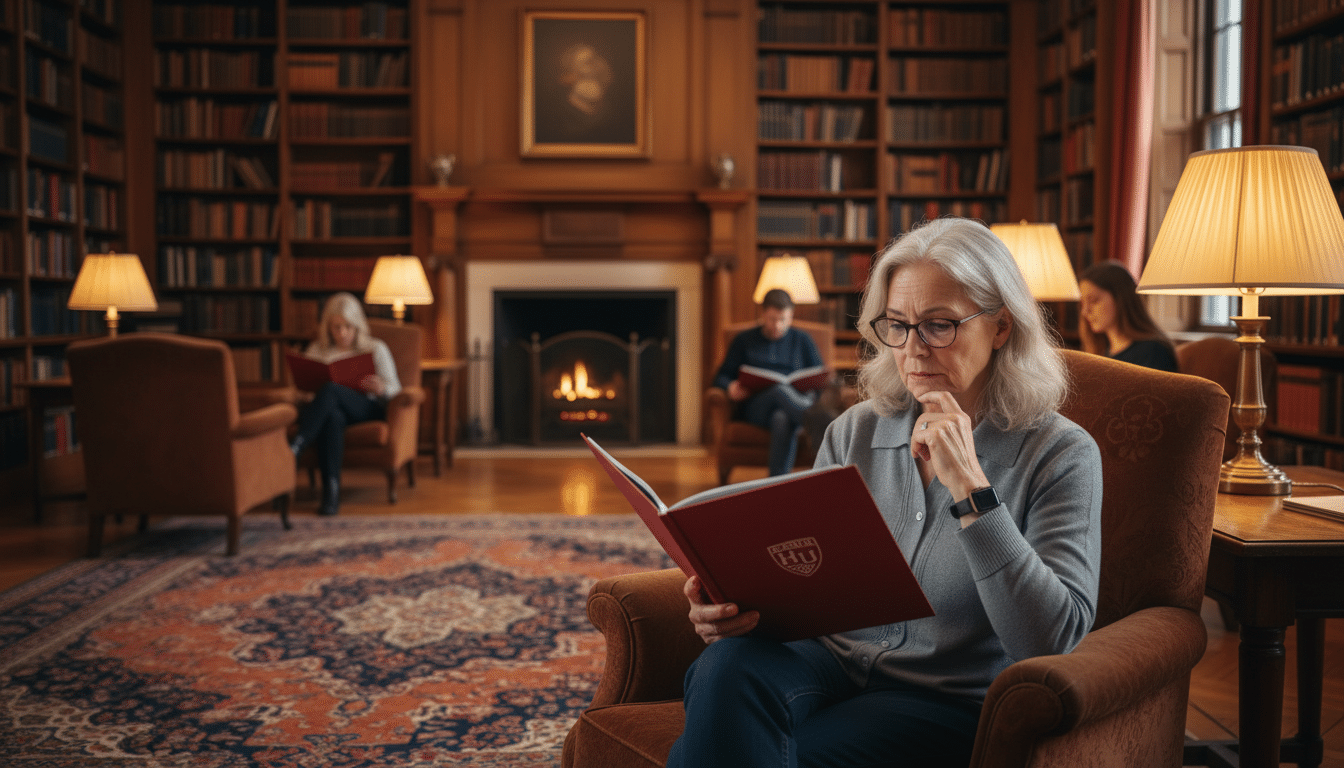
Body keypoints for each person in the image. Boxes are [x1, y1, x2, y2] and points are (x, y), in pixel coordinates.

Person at [668, 218, 1103, 768]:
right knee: (725, 665)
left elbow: (1050, 639)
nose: (913, 349)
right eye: (897, 325)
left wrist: (971, 487)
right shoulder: (856, 430)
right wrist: (731, 608)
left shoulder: (1061, 454)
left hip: (939, 699)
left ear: (1001, 327)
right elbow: (810, 585)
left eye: (939, 325)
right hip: (826, 664)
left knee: (725, 751)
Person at [288, 292, 401, 516]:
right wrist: (307, 394)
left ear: (357, 325)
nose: (342, 333)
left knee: (330, 389)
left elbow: (396, 389)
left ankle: (298, 444)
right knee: (333, 417)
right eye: (336, 327)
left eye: (347, 327)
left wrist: (381, 388)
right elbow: (303, 389)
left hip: (366, 407)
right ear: (327, 327)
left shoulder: (375, 348)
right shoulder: (318, 350)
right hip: (331, 411)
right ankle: (331, 494)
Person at [711, 288, 826, 476]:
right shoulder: (744, 340)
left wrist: (810, 391)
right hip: (756, 408)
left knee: (782, 418)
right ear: (763, 314)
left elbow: (820, 378)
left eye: (784, 320)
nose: (778, 325)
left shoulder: (802, 340)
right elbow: (721, 377)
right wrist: (730, 386)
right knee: (779, 388)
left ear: (792, 315)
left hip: (791, 407)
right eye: (773, 319)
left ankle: (776, 487)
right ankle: (814, 422)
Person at [1077, 261, 1179, 372]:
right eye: (1083, 303)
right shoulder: (1100, 352)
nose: (1085, 311)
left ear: (1120, 299)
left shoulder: (1153, 351)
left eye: (1093, 300)